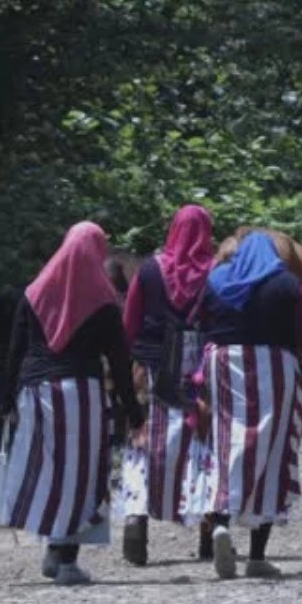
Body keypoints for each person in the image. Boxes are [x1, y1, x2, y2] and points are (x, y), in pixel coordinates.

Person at [0, 221, 145, 586]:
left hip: (36, 391)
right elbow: (121, 362)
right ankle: (66, 561)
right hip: (82, 394)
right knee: (81, 476)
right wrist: (133, 408)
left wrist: (4, 397)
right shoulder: (105, 301)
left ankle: (52, 549)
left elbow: (15, 350)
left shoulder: (34, 293)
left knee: (50, 471)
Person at [187, 231, 302, 579]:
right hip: (272, 364)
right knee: (272, 450)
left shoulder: (217, 278)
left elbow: (197, 319)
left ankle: (221, 522)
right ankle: (257, 555)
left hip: (223, 363)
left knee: (227, 441)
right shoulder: (285, 283)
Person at [118, 205, 217, 566]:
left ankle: (136, 518)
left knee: (142, 443)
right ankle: (210, 529)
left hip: (150, 367)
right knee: (204, 445)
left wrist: (125, 363)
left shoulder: (148, 269)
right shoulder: (216, 270)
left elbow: (130, 321)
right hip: (199, 370)